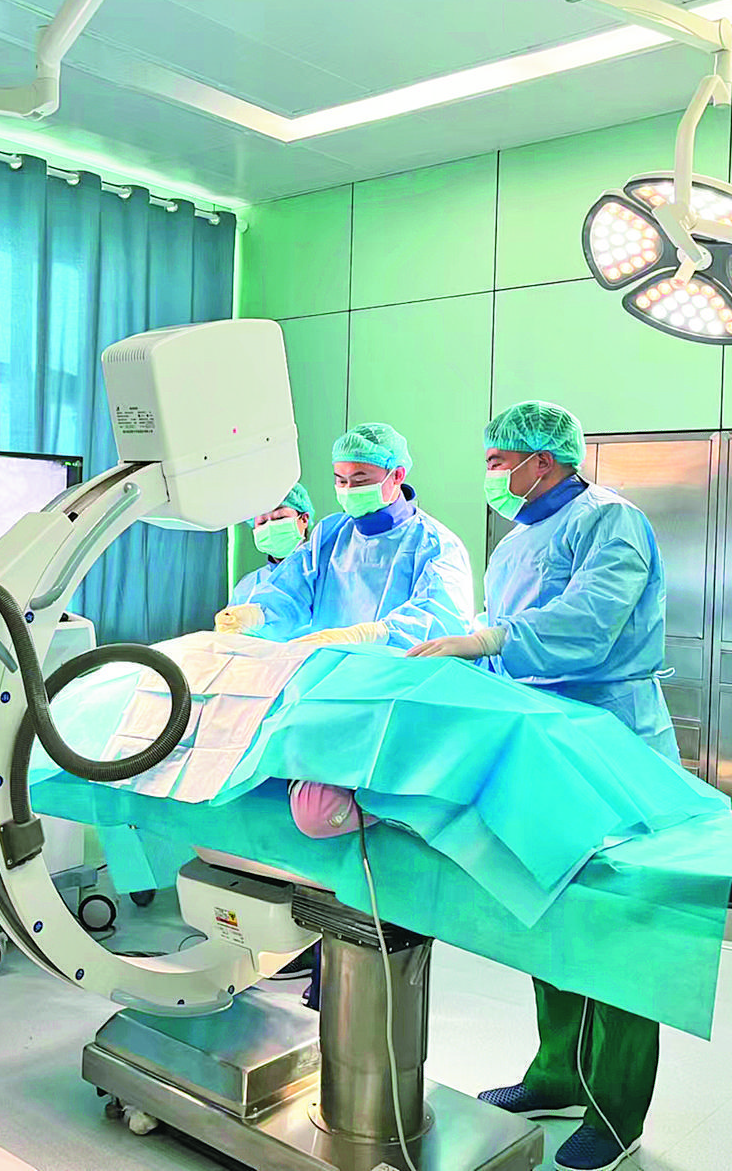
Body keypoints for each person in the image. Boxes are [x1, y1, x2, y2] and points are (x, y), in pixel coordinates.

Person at [407, 400, 678, 1171]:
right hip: (542, 739)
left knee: (616, 925)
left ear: (544, 459)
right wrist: (467, 648)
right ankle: (558, 1073)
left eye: (500, 460)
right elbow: (503, 625)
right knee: (550, 909)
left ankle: (615, 1110)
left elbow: (588, 623)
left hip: (612, 739)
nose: (492, 473)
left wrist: (490, 639)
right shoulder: (518, 536)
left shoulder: (609, 521)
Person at [214, 423, 473, 650]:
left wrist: (369, 636)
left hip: (398, 678)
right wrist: (257, 615)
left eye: (360, 481)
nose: (349, 489)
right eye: (341, 481)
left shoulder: (435, 544)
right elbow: (292, 591)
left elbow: (440, 621)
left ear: (397, 475)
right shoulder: (331, 534)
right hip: (331, 674)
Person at [229, 482, 312, 606]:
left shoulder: (325, 574)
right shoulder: (247, 588)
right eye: (262, 522)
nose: (270, 527)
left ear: (304, 519)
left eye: (280, 518)